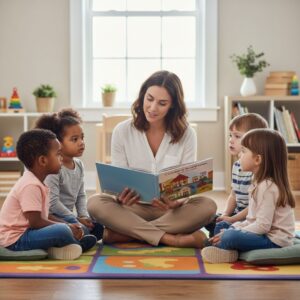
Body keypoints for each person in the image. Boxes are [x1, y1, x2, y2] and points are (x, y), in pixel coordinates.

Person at [88, 70, 217, 248]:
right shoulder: (122, 131)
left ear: (173, 105)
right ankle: (169, 238)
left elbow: (188, 186)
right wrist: (121, 197)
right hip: (132, 210)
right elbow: (118, 181)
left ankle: (125, 234)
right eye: (149, 99)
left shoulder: (187, 134)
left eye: (162, 103)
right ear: (142, 96)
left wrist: (177, 202)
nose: (153, 108)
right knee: (95, 203)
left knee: (207, 206)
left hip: (170, 212)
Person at [202, 129, 296, 263]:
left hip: (273, 239)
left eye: (244, 151)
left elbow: (262, 226)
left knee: (230, 236)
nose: (240, 155)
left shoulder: (268, 187)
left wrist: (234, 231)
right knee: (222, 225)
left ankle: (227, 251)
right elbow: (251, 219)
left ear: (257, 159)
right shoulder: (257, 182)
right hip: (260, 232)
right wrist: (234, 225)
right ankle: (224, 247)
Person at [0, 129, 97, 260]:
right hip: (16, 240)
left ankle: (64, 245)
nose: (61, 159)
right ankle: (76, 245)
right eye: (58, 154)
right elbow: (35, 222)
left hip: (30, 231)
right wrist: (66, 227)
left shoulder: (40, 183)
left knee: (74, 225)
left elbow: (46, 216)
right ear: (43, 161)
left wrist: (69, 224)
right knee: (62, 231)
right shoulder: (30, 185)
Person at [35, 108, 103, 243]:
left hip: (70, 217)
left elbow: (81, 195)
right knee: (66, 230)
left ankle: (78, 237)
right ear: (57, 143)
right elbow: (53, 204)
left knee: (97, 226)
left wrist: (84, 216)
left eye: (82, 137)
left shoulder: (79, 165)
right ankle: (70, 241)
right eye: (74, 139)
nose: (81, 142)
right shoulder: (53, 168)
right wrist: (75, 219)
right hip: (52, 217)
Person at [205, 113, 268, 237]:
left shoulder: (257, 170)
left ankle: (223, 235)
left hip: (252, 218)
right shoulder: (237, 166)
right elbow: (234, 195)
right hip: (238, 214)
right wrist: (225, 215)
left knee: (222, 227)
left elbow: (253, 208)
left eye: (237, 136)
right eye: (230, 135)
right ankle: (221, 231)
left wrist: (232, 220)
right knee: (208, 218)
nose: (231, 140)